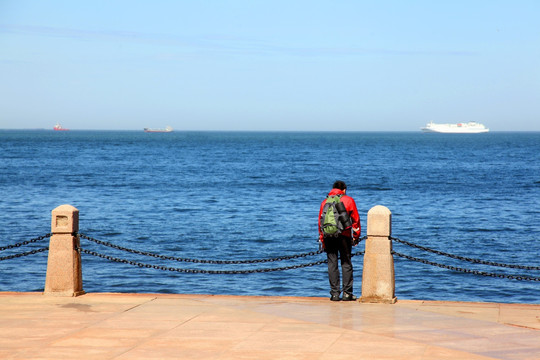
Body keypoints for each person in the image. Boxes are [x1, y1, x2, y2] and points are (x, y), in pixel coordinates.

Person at [318, 180, 361, 301]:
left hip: (328, 236)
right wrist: (356, 236)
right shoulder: (348, 200)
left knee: (332, 264)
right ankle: (347, 294)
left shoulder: (325, 202)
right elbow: (355, 220)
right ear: (344, 190)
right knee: (346, 263)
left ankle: (334, 294)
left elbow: (320, 222)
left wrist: (322, 238)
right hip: (344, 236)